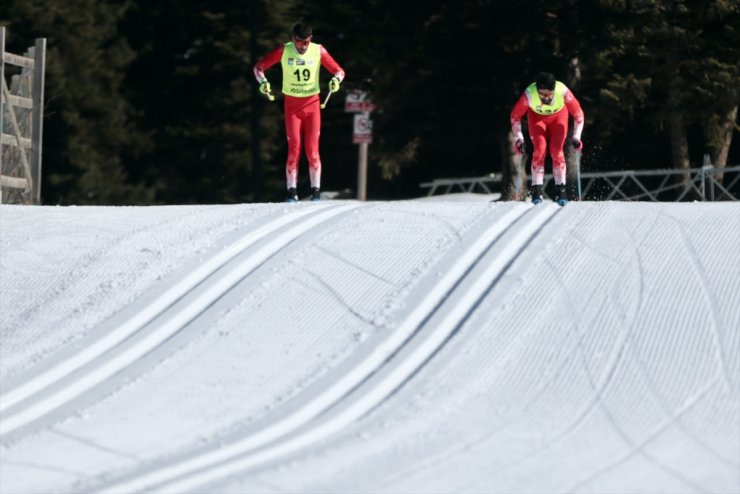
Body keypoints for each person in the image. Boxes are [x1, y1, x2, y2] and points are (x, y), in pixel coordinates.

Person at [253, 22, 345, 202]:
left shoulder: (318, 50)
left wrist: (336, 81)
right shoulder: (284, 50)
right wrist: (263, 83)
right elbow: (258, 68)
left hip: (312, 104)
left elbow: (339, 71)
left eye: (306, 42)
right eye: (299, 42)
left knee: (312, 150)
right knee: (294, 148)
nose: (303, 46)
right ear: (292, 39)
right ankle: (291, 192)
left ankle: (316, 192)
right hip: (292, 106)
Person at [510, 72, 584, 205]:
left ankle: (561, 191)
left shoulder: (562, 91)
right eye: (542, 94)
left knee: (556, 151)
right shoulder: (529, 94)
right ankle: (536, 191)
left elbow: (578, 114)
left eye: (549, 94)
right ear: (537, 90)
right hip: (537, 118)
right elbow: (515, 116)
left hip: (559, 117)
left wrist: (576, 136)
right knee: (540, 150)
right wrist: (519, 138)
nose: (546, 98)